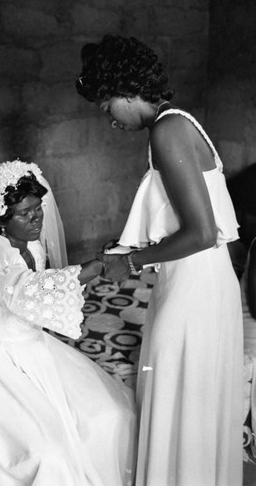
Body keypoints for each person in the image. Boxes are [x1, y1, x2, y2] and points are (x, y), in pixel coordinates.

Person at [76, 34, 244, 486]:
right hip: (198, 283)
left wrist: (129, 264)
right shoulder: (179, 124)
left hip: (195, 293)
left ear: (128, 91)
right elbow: (185, 225)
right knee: (186, 403)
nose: (109, 119)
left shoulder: (168, 129)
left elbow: (203, 233)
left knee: (179, 399)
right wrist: (128, 250)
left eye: (106, 105)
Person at [0, 160, 136, 486]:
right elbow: (24, 292)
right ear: (2, 219)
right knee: (48, 451)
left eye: (38, 209)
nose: (36, 219)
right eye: (25, 213)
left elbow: (38, 297)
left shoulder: (32, 244)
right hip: (0, 362)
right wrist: (95, 267)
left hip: (39, 351)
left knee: (113, 414)